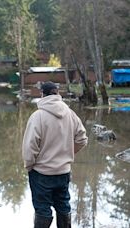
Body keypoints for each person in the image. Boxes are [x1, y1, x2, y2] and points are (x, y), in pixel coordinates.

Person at [22, 81, 88, 228]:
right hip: (63, 171)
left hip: (41, 172)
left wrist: (29, 165)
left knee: (43, 209)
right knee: (63, 206)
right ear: (58, 93)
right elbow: (82, 139)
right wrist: (68, 153)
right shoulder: (70, 114)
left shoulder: (38, 116)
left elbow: (30, 146)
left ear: (42, 94)